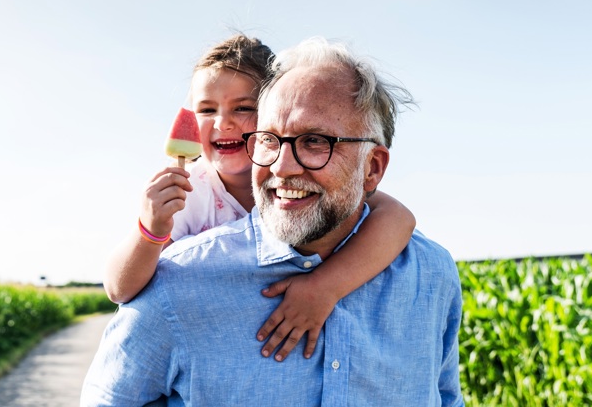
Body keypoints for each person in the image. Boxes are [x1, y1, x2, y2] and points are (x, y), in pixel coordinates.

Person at [82, 36, 464, 405]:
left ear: (373, 169)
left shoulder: (432, 275)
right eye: (270, 139)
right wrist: (150, 231)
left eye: (314, 140)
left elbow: (398, 217)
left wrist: (326, 286)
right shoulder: (179, 269)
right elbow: (119, 290)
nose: (282, 167)